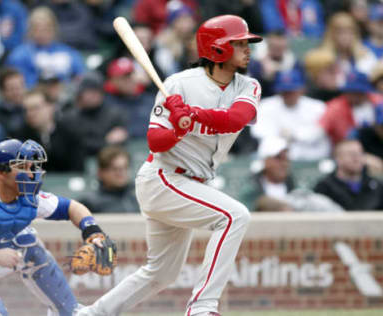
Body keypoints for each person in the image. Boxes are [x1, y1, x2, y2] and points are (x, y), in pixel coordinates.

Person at [77, 14, 262, 316]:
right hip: (164, 179)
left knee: (161, 273)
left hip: (193, 184)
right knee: (234, 216)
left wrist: (192, 116)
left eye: (246, 43)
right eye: (238, 43)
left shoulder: (248, 85)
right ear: (217, 49)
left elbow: (234, 119)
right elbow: (155, 141)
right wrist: (177, 128)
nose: (247, 48)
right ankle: (202, 307)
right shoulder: (178, 83)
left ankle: (90, 314)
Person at [0, 138, 111, 315]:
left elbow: (71, 208)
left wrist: (93, 232)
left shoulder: (27, 198)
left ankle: (67, 311)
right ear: (0, 172)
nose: (30, 174)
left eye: (31, 167)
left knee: (29, 243)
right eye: (22, 167)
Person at [251, 68, 331, 161]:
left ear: (302, 89)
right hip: (278, 157)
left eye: (291, 90)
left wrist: (293, 135)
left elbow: (318, 133)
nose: (288, 94)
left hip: (311, 156)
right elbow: (259, 132)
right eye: (284, 91)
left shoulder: (318, 107)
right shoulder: (265, 106)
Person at [314, 139, 383, 211]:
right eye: (351, 154)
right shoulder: (325, 187)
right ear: (338, 158)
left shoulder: (376, 186)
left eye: (360, 153)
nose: (357, 158)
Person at [80, 146, 139, 213]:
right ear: (100, 172)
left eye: (125, 168)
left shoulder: (139, 196)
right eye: (115, 169)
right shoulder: (90, 203)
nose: (121, 173)